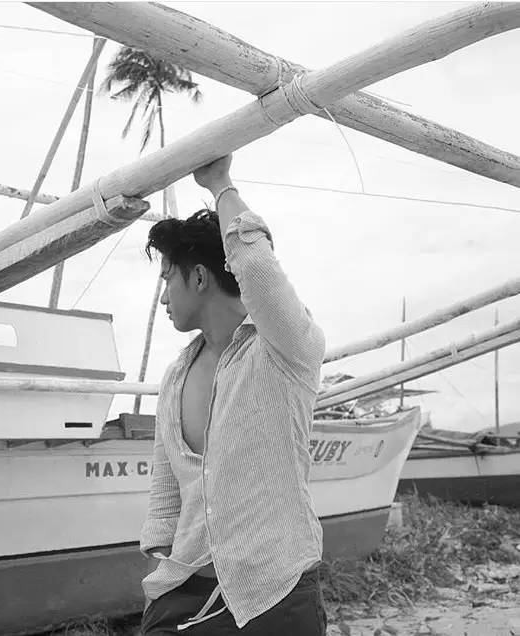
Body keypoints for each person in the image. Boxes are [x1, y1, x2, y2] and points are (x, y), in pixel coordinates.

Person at [139, 154, 327, 634]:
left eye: (168, 279)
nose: (164, 297)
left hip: (277, 597)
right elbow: (167, 486)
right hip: (186, 596)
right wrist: (161, 549)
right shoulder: (175, 376)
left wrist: (219, 183)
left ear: (200, 277)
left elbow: (257, 268)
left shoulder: (284, 351)